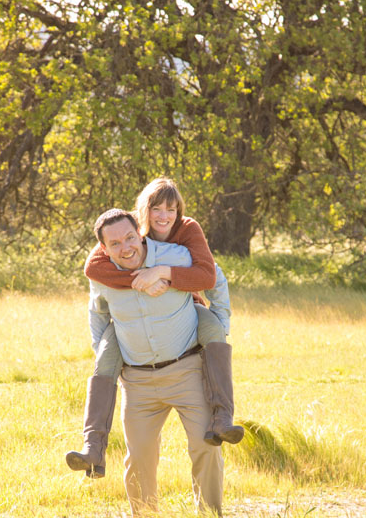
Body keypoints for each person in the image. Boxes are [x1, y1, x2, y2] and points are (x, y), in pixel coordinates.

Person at [65, 178, 243, 478]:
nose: (164, 215)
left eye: (171, 209)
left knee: (213, 329)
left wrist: (162, 273)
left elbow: (210, 276)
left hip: (191, 305)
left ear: (179, 210)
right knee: (106, 356)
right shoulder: (127, 231)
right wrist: (139, 281)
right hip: (134, 355)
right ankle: (93, 448)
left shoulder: (187, 231)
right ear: (142, 212)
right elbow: (94, 270)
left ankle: (223, 417)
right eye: (156, 208)